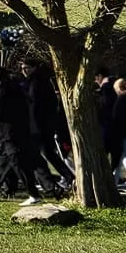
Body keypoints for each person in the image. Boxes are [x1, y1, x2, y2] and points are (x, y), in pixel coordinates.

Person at [0, 68, 41, 202]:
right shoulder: (18, 89)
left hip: (9, 131)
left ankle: (33, 194)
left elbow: (0, 113)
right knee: (5, 163)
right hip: (20, 129)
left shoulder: (2, 91)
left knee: (17, 163)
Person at [25, 61, 75, 189]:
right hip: (46, 125)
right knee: (48, 153)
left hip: (38, 126)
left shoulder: (34, 83)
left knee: (33, 154)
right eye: (23, 68)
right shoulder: (44, 82)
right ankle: (67, 177)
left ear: (34, 68)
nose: (24, 70)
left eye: (27, 68)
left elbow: (34, 106)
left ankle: (46, 182)